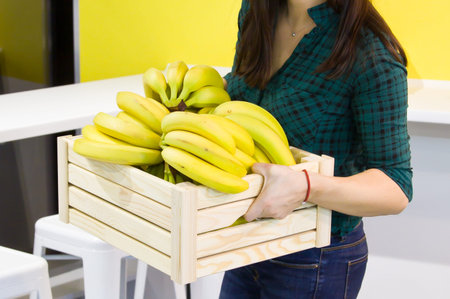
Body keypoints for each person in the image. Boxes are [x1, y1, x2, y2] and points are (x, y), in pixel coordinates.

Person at [220, 0, 412, 298]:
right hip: (245, 239)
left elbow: (396, 186)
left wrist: (305, 186)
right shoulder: (257, 10)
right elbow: (246, 94)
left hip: (315, 258)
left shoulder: (372, 57)